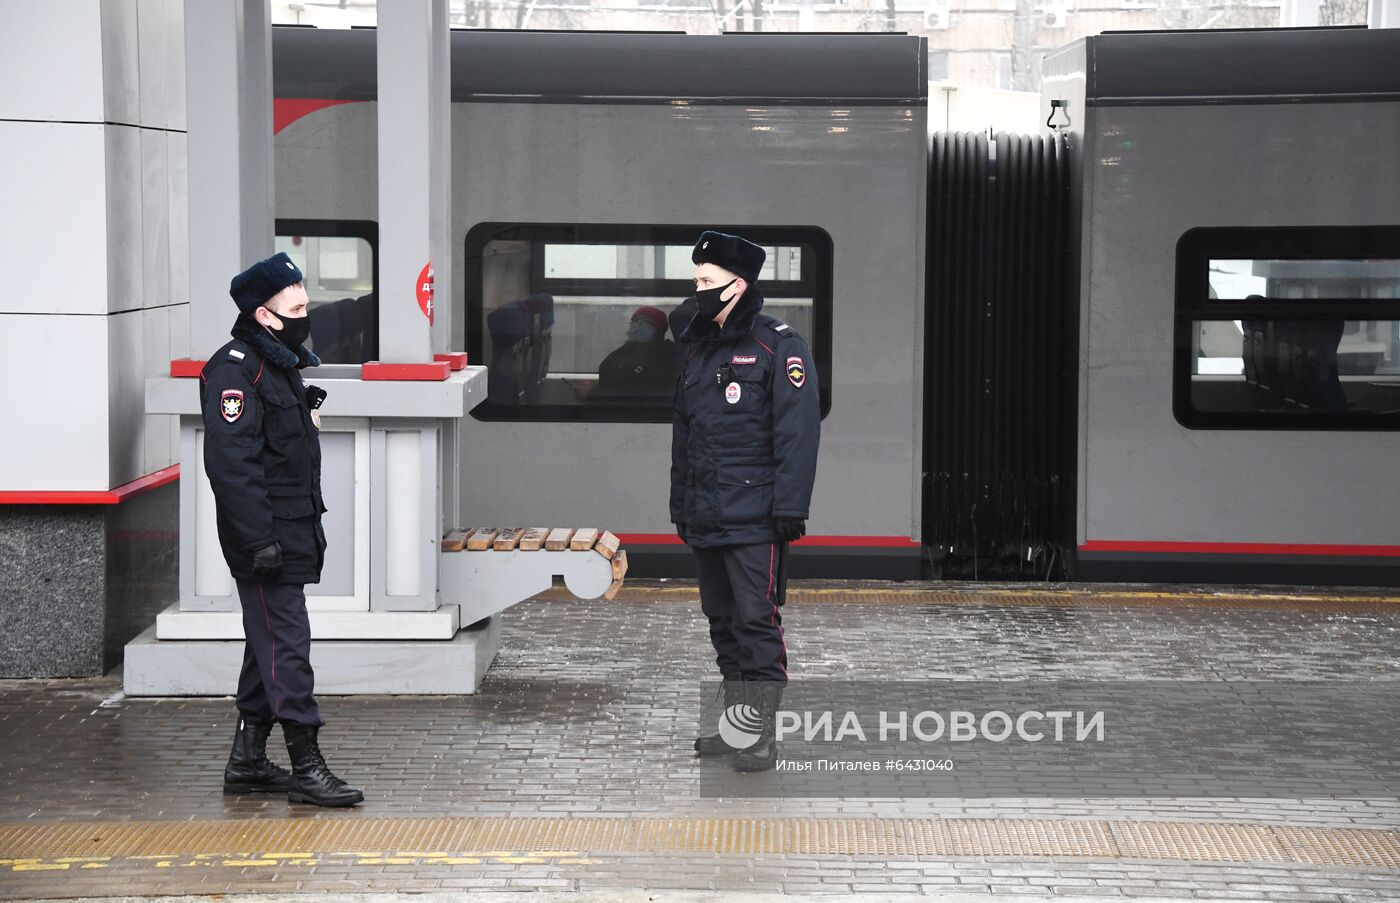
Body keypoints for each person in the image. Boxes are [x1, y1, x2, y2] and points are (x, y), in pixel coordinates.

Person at [200, 251, 364, 808]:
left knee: (266, 642)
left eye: (305, 304)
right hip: (264, 536)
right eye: (295, 307)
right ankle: (307, 765)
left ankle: (247, 762)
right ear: (265, 315)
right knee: (287, 644)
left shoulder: (282, 364)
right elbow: (232, 466)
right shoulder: (235, 369)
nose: (305, 314)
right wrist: (259, 541)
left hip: (290, 527)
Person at [670, 231, 820, 772]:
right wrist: (680, 506)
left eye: (707, 282)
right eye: (696, 282)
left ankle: (763, 735)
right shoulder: (697, 344)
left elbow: (798, 434)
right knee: (722, 621)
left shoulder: (779, 345)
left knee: (757, 621)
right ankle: (739, 729)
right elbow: (684, 434)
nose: (698, 291)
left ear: (740, 284)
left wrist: (790, 507)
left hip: (756, 516)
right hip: (707, 512)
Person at [590, 306, 678, 402]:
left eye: (647, 322)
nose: (638, 325)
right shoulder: (619, 355)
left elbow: (633, 391)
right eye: (634, 320)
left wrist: (592, 393)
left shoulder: (666, 356)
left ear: (659, 330)